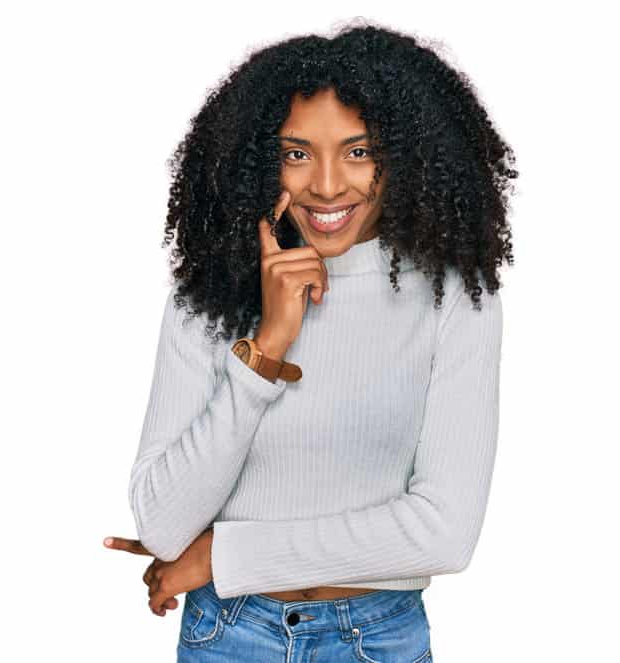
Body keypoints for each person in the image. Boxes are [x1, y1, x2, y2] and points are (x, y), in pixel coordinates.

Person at [104, 20, 519, 661]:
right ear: (260, 159)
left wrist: (225, 554)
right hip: (228, 637)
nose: (326, 185)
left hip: (376, 641)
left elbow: (445, 531)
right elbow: (161, 525)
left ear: (404, 156)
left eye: (358, 152)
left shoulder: (453, 297)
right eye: (297, 153)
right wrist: (266, 348)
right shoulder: (209, 295)